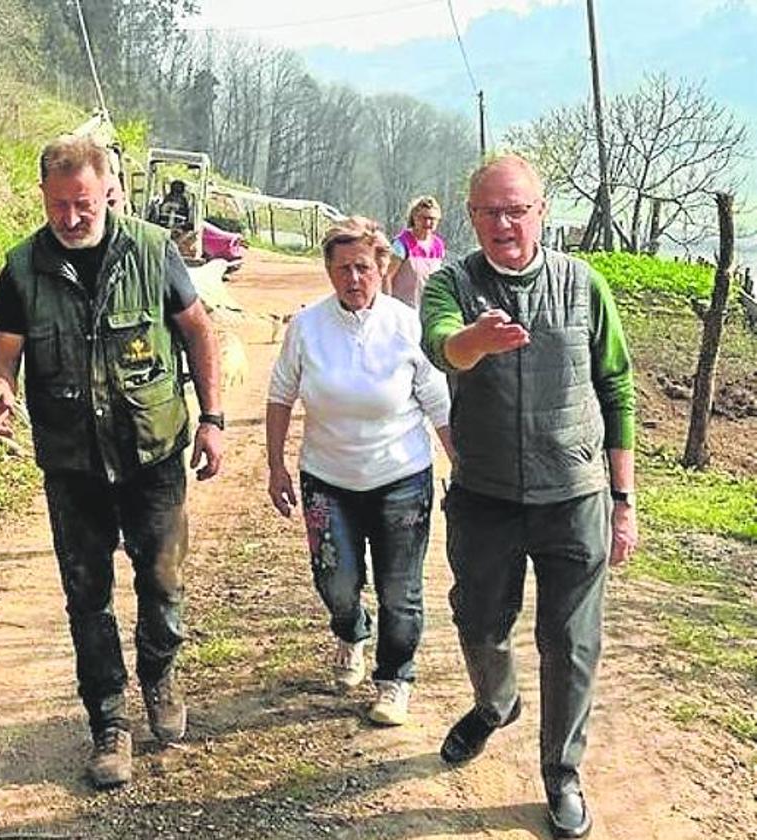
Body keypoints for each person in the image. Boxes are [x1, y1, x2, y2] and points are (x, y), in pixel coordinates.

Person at [0, 134, 223, 789]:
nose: (71, 217)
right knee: (86, 602)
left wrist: (214, 419)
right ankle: (108, 725)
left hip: (154, 458)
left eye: (82, 203)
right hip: (72, 467)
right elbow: (2, 355)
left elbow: (197, 331)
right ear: (43, 198)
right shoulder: (23, 268)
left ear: (107, 191)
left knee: (162, 586)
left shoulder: (150, 249)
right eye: (59, 205)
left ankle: (159, 674)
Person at [419, 155, 637, 840]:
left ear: (541, 212)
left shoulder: (584, 285)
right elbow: (438, 346)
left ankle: (561, 773)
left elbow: (617, 390)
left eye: (516, 209)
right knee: (478, 622)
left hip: (574, 497)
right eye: (489, 211)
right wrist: (472, 343)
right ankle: (494, 704)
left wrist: (623, 498)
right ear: (471, 217)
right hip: (484, 496)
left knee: (570, 643)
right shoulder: (450, 283)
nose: (503, 223)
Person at [266, 216, 453, 726]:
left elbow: (438, 403)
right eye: (343, 268)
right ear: (328, 271)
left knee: (400, 587)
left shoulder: (407, 325)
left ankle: (395, 679)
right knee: (337, 583)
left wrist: (464, 469)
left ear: (382, 267)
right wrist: (275, 465)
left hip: (401, 477)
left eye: (364, 268)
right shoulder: (307, 327)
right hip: (327, 479)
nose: (354, 279)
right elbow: (281, 394)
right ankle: (350, 633)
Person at [386, 195, 446, 308]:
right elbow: (387, 276)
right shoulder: (402, 243)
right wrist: (388, 307)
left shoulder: (438, 245)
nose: (428, 222)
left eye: (432, 219)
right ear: (414, 218)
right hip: (402, 309)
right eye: (424, 218)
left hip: (426, 309)